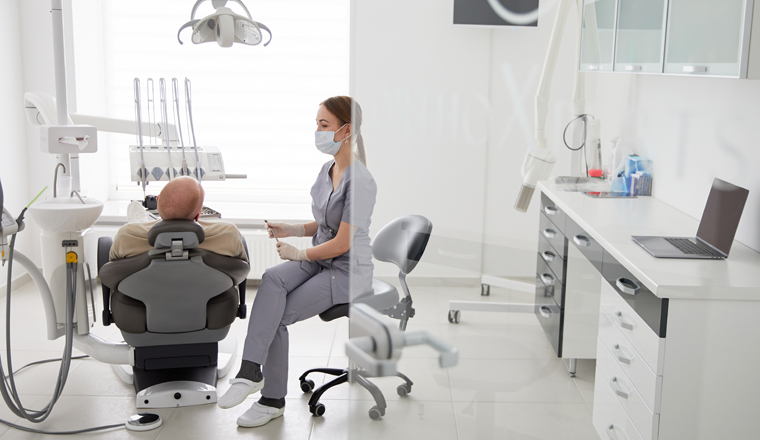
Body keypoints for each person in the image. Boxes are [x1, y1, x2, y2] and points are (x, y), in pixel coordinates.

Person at [218, 96, 377, 427]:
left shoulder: (360, 181)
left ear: (346, 130)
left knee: (277, 315)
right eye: (316, 124)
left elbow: (343, 241)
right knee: (273, 278)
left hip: (347, 271)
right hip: (322, 258)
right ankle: (251, 372)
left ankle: (270, 398)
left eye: (324, 125)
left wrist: (300, 253)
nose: (317, 131)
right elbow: (326, 225)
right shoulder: (328, 168)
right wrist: (292, 229)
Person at [109, 176, 247, 262]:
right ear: (198, 215)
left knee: (138, 226)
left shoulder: (126, 235)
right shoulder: (228, 234)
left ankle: (144, 221)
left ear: (157, 201)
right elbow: (242, 267)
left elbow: (112, 267)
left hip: (141, 305)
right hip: (209, 305)